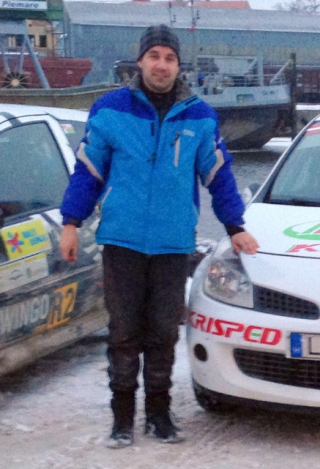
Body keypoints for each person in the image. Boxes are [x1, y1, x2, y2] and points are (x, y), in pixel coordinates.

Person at [59, 24, 259, 449]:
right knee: (123, 331)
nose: (161, 65)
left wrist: (235, 226)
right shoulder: (110, 109)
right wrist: (71, 222)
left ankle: (159, 414)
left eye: (169, 58)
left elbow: (218, 175)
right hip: (122, 241)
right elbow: (88, 171)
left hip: (172, 244)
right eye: (154, 56)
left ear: (178, 65)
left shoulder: (199, 116)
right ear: (141, 61)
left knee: (163, 332)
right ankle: (122, 417)